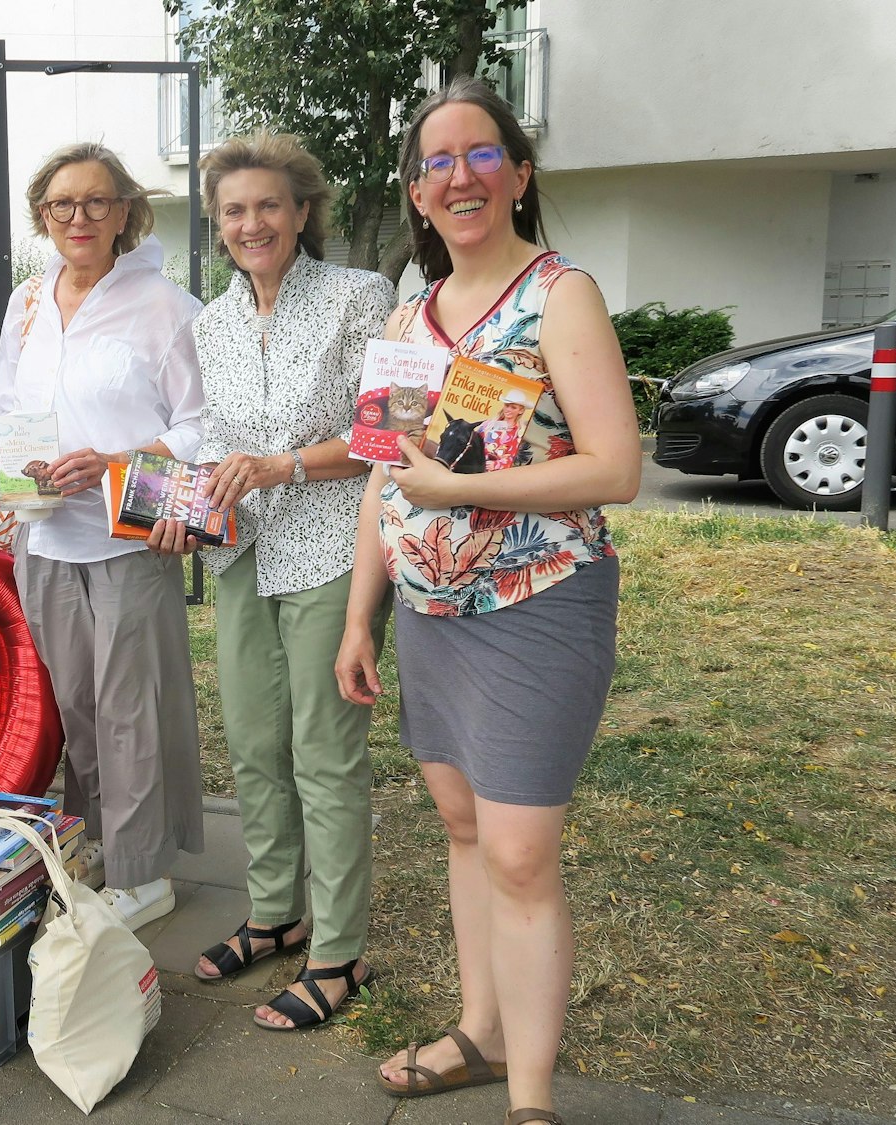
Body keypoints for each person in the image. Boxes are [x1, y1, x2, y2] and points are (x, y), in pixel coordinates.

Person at [333, 77, 640, 1125]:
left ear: (516, 174)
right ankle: (477, 1030)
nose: (456, 176)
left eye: (477, 155)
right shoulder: (406, 314)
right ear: (416, 194)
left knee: (517, 849)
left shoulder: (562, 295)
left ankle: (529, 1098)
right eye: (434, 162)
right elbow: (383, 471)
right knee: (463, 824)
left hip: (538, 602)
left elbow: (612, 468)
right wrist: (355, 616)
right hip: (426, 614)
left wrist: (459, 490)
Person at [146, 132, 395, 1032]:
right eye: (235, 211)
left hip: (334, 549)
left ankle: (338, 951)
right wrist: (181, 508)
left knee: (323, 753)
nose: (252, 223)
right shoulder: (208, 323)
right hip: (240, 551)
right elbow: (211, 447)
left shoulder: (362, 297)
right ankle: (274, 911)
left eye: (268, 206)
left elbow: (386, 437)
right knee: (253, 744)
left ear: (301, 213)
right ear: (218, 224)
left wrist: (283, 464)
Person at [0, 142, 206, 929]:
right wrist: (11, 485)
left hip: (128, 539)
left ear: (126, 211)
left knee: (131, 710)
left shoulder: (167, 308)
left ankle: (146, 874)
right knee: (78, 709)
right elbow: (6, 417)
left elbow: (200, 428)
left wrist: (116, 462)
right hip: (44, 538)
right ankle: (103, 850)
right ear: (42, 216)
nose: (78, 218)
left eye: (95, 202)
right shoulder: (25, 303)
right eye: (61, 205)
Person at [476, 389, 530, 468]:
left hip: (494, 472)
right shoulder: (488, 424)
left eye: (513, 407)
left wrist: (496, 465)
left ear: (521, 410)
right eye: (507, 405)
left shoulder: (518, 434)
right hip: (475, 463)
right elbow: (475, 440)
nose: (508, 409)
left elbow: (511, 457)